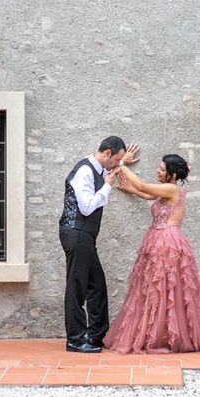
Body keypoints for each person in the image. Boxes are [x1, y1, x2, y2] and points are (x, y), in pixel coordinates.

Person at [103, 154, 200, 354]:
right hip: (158, 240)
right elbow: (146, 194)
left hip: (167, 242)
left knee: (166, 288)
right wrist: (130, 188)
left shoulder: (172, 188)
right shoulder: (165, 191)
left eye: (162, 169)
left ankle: (167, 335)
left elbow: (144, 187)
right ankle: (161, 332)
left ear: (173, 173)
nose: (158, 171)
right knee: (157, 287)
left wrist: (121, 164)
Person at [59, 136, 139, 353]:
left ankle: (96, 336)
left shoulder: (100, 167)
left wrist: (122, 162)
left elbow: (110, 169)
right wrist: (107, 187)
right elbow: (86, 207)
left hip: (85, 236)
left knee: (97, 286)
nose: (118, 164)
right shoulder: (85, 171)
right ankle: (75, 339)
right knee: (77, 287)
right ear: (107, 154)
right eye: (117, 159)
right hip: (77, 233)